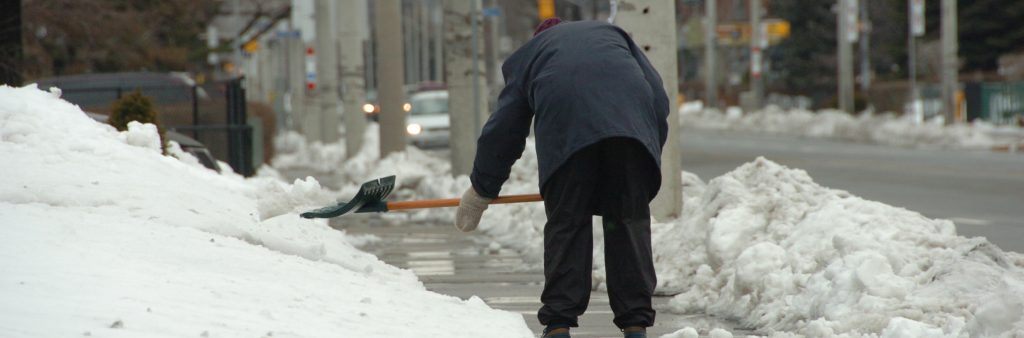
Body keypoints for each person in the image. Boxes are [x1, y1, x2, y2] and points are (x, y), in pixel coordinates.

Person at [455, 18, 669, 338]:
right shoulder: (613, 36)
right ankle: (635, 324)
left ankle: (559, 325)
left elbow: (505, 129)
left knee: (568, 222)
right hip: (631, 135)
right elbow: (658, 99)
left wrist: (482, 189)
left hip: (569, 136)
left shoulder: (531, 54)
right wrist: (645, 154)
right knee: (627, 221)